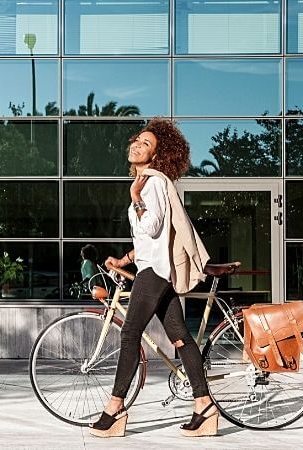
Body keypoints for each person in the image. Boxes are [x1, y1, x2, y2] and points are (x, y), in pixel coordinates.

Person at [88, 118, 217, 438]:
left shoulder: (152, 182)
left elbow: (153, 226)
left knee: (129, 334)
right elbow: (151, 239)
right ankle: (205, 407)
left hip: (155, 273)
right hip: (156, 267)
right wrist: (125, 258)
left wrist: (135, 196)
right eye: (137, 140)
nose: (137, 145)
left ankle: (114, 408)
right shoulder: (150, 183)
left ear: (158, 156)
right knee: (180, 338)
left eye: (146, 144)